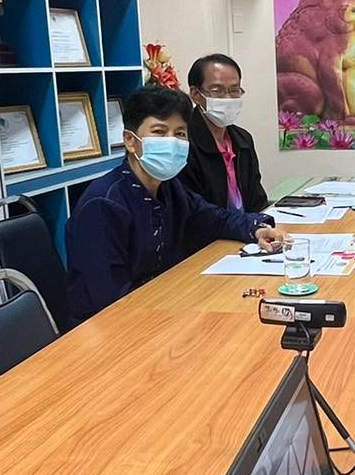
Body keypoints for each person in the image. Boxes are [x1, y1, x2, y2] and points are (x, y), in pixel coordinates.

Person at [66, 84, 283, 319]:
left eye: (180, 134)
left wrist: (256, 228)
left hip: (164, 305)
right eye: (159, 132)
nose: (171, 141)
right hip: (110, 327)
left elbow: (215, 219)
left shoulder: (170, 188)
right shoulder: (103, 205)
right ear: (130, 140)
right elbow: (110, 301)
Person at [179, 53, 266, 213]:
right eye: (217, 90)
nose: (228, 98)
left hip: (249, 227)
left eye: (234, 90)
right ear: (196, 94)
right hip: (211, 229)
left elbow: (257, 200)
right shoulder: (184, 142)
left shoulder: (243, 140)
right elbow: (195, 211)